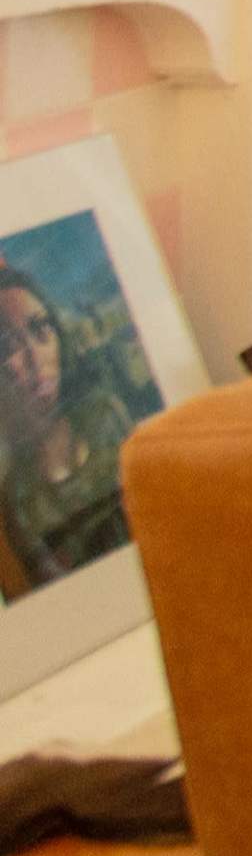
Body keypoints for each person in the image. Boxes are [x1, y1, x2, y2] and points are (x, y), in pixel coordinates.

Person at [0, 253, 142, 598]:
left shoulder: (106, 417)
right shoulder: (16, 498)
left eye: (40, 329)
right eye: (7, 346)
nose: (35, 357)